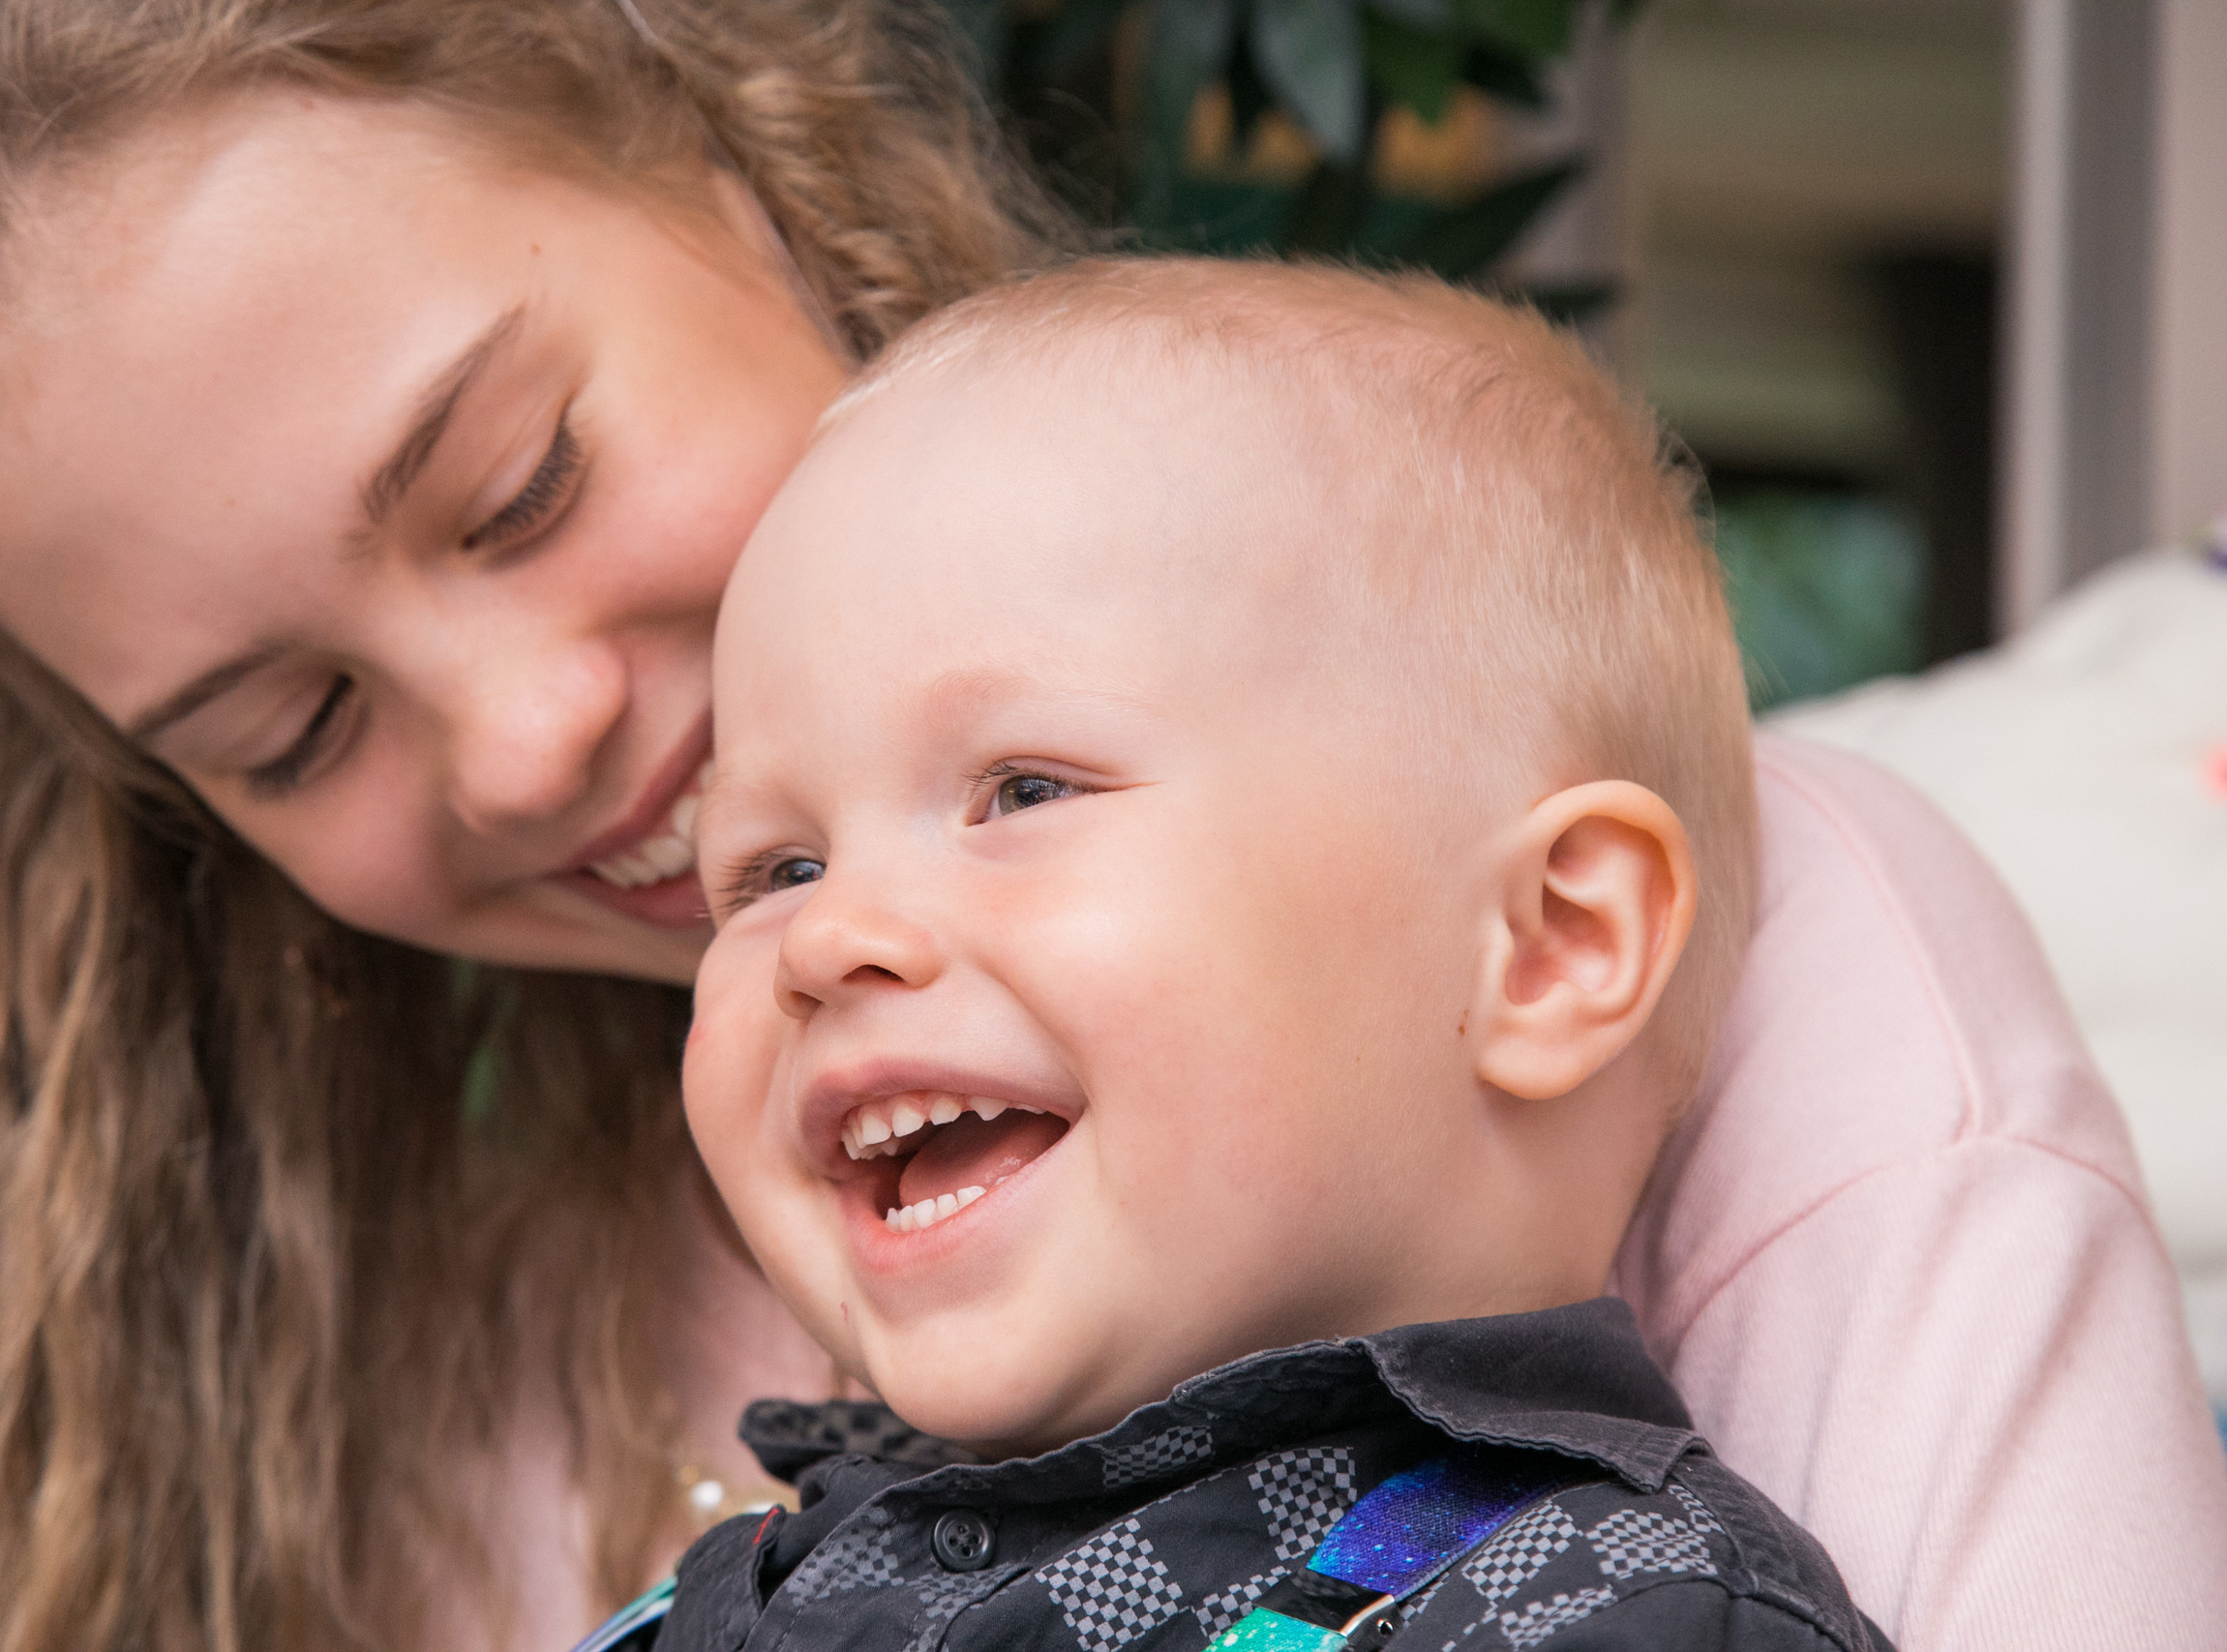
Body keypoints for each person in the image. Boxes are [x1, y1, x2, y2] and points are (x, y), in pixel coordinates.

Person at [0, 2, 2216, 1650]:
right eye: (286, 727)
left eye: (516, 484)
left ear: (754, 181)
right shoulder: (424, 1368)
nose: (513, 746)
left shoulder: (1772, 971)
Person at [669, 259, 1882, 1652]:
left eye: (1024, 791)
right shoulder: (752, 1581)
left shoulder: (1613, 1615)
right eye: (773, 870)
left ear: (1550, 945)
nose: (825, 938)